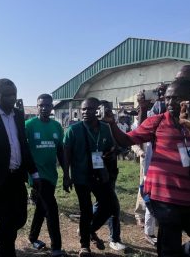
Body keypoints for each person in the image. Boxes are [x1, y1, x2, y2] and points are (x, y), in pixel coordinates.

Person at [103, 79, 190, 256]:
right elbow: (126, 140)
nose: (170, 103)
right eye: (167, 98)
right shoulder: (157, 122)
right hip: (164, 198)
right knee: (168, 249)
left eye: (177, 98)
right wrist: (111, 124)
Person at [0, 78, 40, 257]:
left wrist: (34, 172)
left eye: (14, 95)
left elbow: (23, 145)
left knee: (20, 218)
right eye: (7, 95)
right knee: (7, 223)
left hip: (17, 177)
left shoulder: (18, 115)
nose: (12, 98)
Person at [63, 97, 116, 257]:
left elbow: (110, 149)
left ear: (98, 110)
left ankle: (89, 230)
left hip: (100, 175)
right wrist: (66, 175)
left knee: (110, 207)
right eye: (84, 109)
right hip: (81, 176)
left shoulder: (105, 128)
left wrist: (111, 154)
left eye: (90, 109)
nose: (86, 112)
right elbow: (66, 153)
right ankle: (84, 246)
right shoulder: (74, 129)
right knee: (86, 210)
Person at [25, 94, 66, 257]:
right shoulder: (28, 125)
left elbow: (61, 151)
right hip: (36, 175)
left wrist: (66, 173)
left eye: (47, 105)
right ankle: (56, 247)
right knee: (51, 208)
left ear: (51, 108)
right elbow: (21, 148)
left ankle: (33, 237)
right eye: (41, 105)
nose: (44, 108)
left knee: (42, 208)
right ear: (37, 107)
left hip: (51, 175)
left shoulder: (57, 127)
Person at [92, 100, 126, 251]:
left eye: (109, 109)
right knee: (114, 207)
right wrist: (100, 167)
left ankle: (87, 228)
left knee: (101, 204)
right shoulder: (93, 126)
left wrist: (117, 149)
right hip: (99, 174)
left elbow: (122, 144)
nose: (106, 112)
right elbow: (94, 151)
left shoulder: (111, 125)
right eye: (103, 109)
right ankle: (114, 238)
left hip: (111, 172)